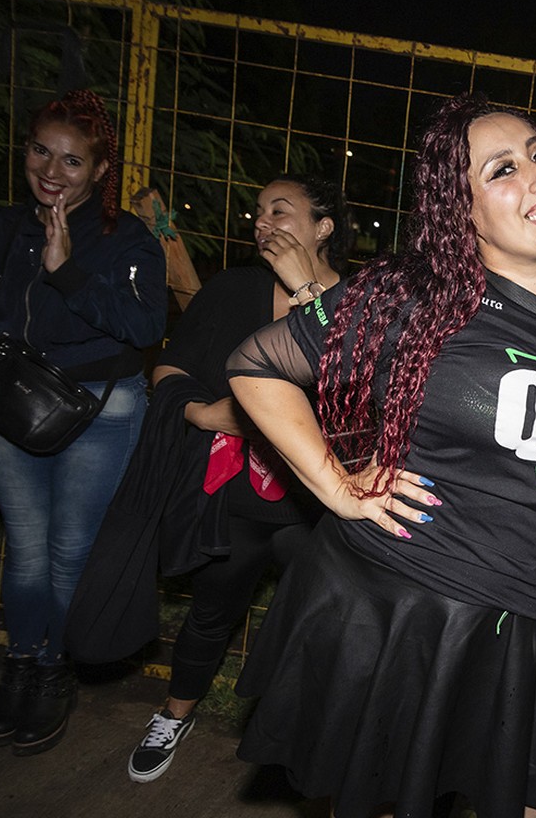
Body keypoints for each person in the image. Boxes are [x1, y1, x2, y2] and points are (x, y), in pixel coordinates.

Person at [227, 93, 536, 818]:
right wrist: (337, 487)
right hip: (404, 603)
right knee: (386, 800)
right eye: (502, 170)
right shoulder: (412, 298)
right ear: (462, 212)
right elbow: (254, 366)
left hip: (523, 618)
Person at [121, 174, 354, 783]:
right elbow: (171, 367)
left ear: (323, 227)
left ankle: (311, 736)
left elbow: (370, 394)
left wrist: (314, 295)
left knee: (326, 627)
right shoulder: (233, 288)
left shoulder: (362, 301)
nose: (262, 220)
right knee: (212, 608)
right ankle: (176, 713)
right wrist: (202, 411)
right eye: (257, 210)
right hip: (241, 491)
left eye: (282, 209)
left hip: (324, 502)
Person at [0, 89, 166, 756]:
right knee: (25, 550)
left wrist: (69, 273)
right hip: (17, 404)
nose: (52, 172)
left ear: (100, 170)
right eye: (40, 151)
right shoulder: (5, 228)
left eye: (73, 161)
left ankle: (55, 669)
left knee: (67, 555)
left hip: (99, 410)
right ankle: (21, 663)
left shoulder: (126, 238)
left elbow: (148, 325)